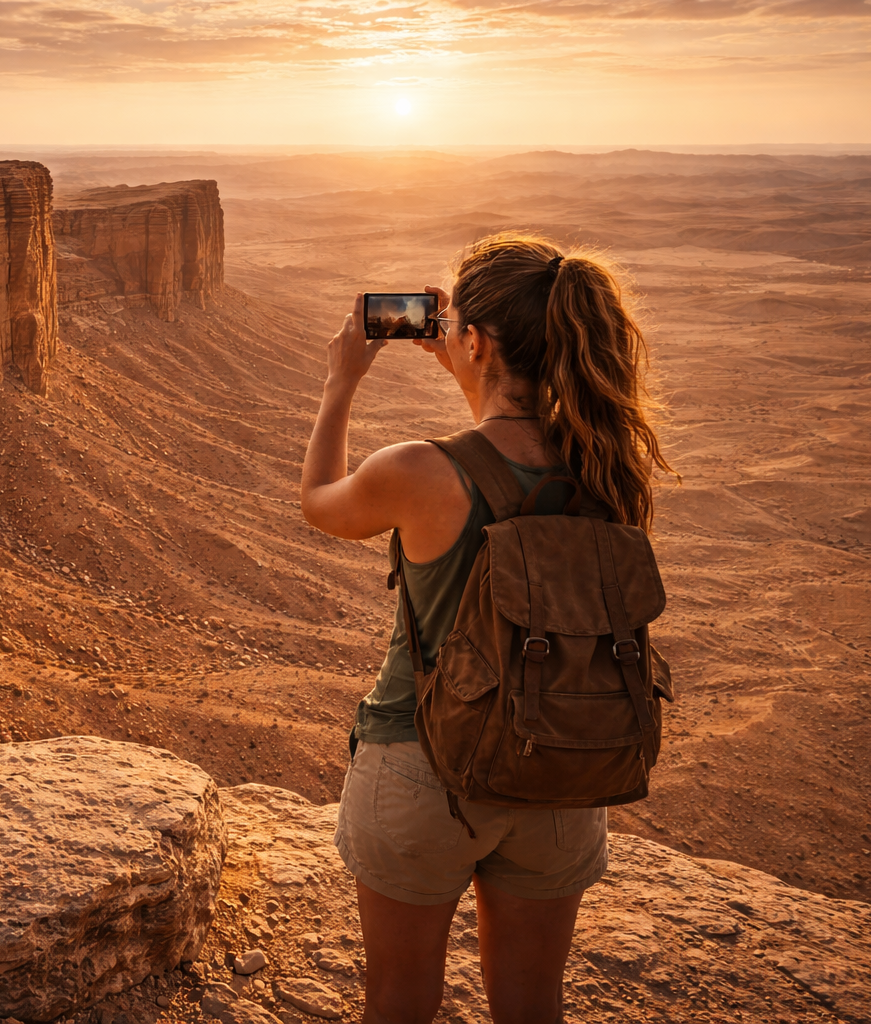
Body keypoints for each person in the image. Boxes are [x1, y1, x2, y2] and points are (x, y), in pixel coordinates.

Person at [299, 233, 673, 1024]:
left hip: (420, 769)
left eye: (460, 330)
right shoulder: (611, 466)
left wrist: (342, 381)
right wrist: (474, 364)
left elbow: (321, 504)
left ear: (470, 340)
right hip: (561, 768)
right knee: (534, 1005)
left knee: (399, 1003)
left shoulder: (417, 471)